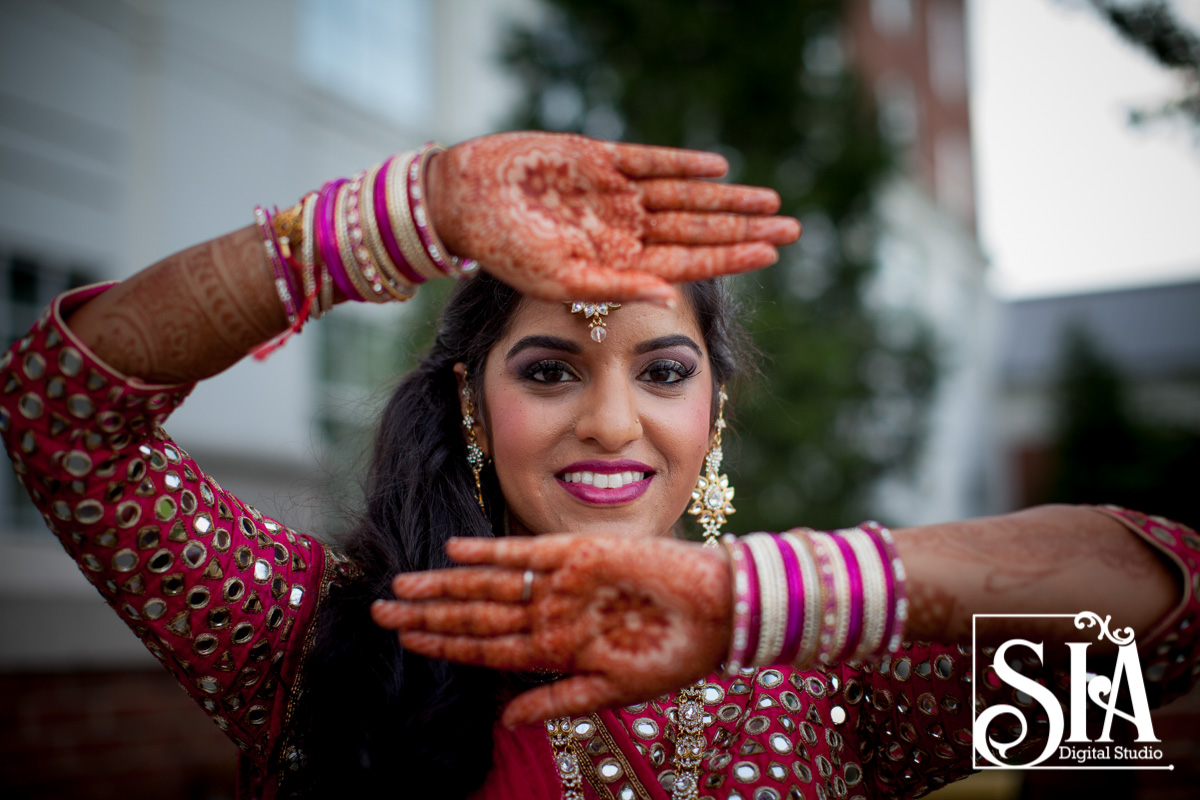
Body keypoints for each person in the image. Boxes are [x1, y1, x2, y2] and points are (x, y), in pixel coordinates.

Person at [0, 131, 1195, 800]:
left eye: (665, 370)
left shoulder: (835, 687)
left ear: (714, 416)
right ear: (476, 405)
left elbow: (1169, 615)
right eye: (552, 369)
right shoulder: (316, 639)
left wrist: (765, 602)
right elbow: (61, 416)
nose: (613, 421)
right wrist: (391, 217)